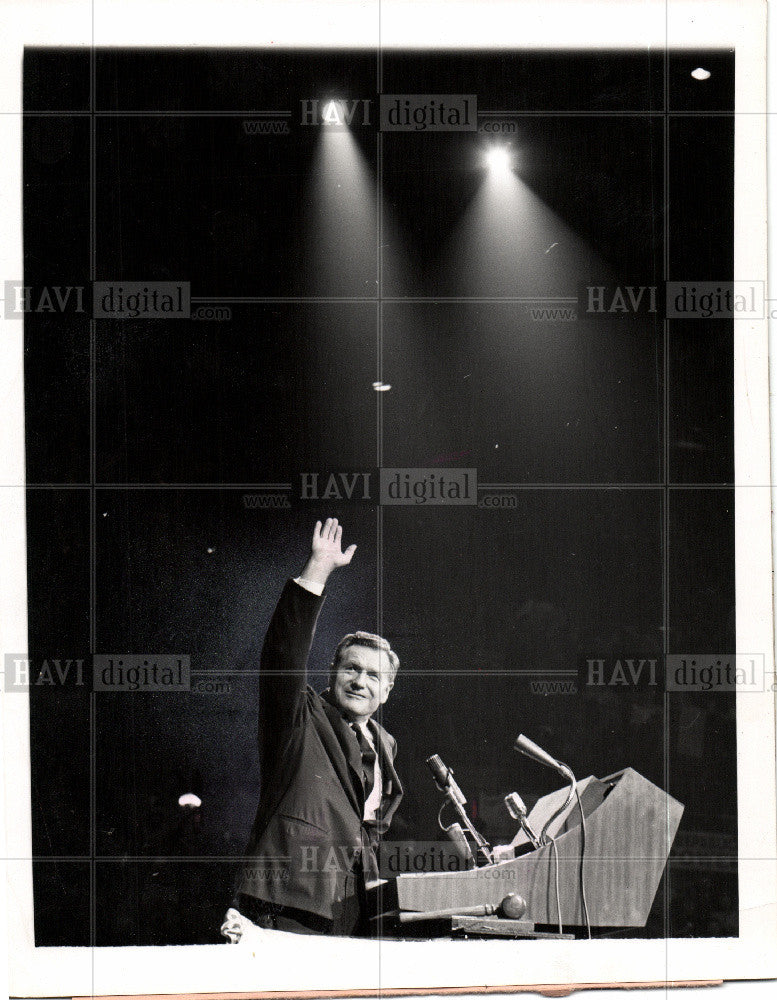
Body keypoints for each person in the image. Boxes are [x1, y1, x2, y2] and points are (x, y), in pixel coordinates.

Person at [222, 518, 403, 939]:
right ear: (332, 672)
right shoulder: (300, 717)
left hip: (353, 912)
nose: (361, 682)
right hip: (286, 899)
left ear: (387, 691)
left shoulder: (385, 746)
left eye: (374, 676)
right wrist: (319, 567)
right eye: (352, 669)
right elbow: (282, 655)